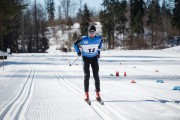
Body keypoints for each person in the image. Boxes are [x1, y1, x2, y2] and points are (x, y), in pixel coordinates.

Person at [74, 25, 103, 101]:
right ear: (88, 32)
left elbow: (100, 45)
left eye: (93, 32)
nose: (91, 34)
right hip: (86, 59)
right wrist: (78, 52)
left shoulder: (98, 38)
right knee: (87, 76)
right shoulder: (83, 39)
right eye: (90, 32)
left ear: (95, 32)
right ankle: (86, 94)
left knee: (96, 76)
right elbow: (75, 43)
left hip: (94, 58)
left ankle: (98, 93)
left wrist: (99, 52)